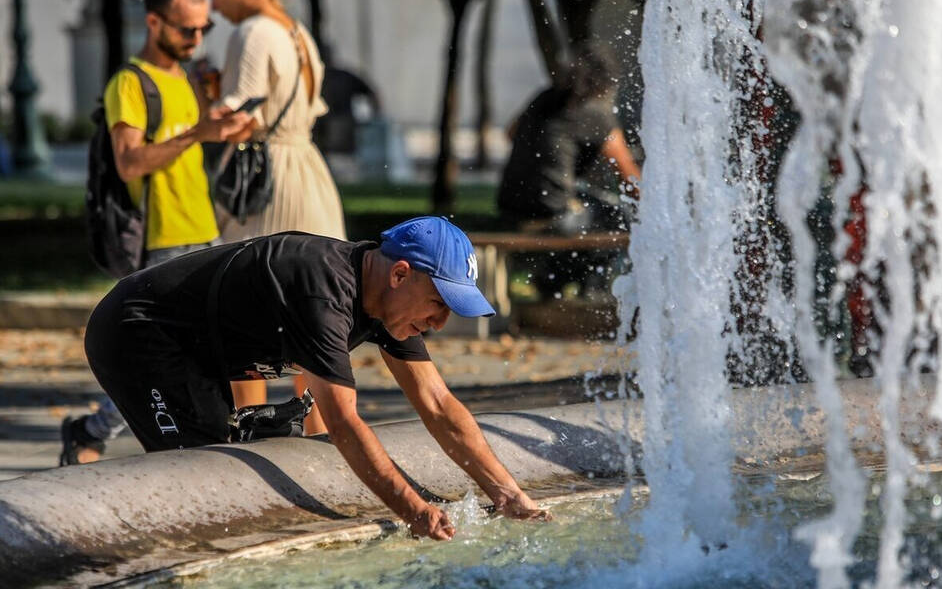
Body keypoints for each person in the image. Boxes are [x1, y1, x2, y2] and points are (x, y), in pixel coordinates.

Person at [83, 216, 550, 538]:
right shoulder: (323, 293)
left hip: (198, 351)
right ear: (401, 274)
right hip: (138, 332)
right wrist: (414, 510)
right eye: (440, 304)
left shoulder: (388, 303)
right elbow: (344, 423)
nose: (441, 323)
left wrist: (511, 497)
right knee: (199, 472)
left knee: (228, 470)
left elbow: (439, 405)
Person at [60, 0, 252, 466]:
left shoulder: (185, 78)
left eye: (203, 29)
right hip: (162, 243)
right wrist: (196, 134)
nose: (196, 37)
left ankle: (214, 442)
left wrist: (224, 128)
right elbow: (128, 163)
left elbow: (191, 150)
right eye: (187, 29)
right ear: (153, 22)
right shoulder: (130, 83)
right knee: (155, 362)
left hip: (204, 231)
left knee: (218, 349)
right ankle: (93, 429)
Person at [206, 0, 348, 433]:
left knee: (245, 305)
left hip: (269, 182)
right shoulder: (298, 32)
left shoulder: (252, 32)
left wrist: (202, 98)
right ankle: (320, 430)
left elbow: (238, 117)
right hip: (308, 171)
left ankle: (248, 432)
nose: (212, 1)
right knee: (317, 307)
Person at [497, 47, 641, 234]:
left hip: (510, 208)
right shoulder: (596, 114)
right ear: (607, 82)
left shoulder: (546, 96)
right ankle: (610, 263)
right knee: (625, 217)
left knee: (583, 193)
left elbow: (510, 133)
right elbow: (630, 180)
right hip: (552, 216)